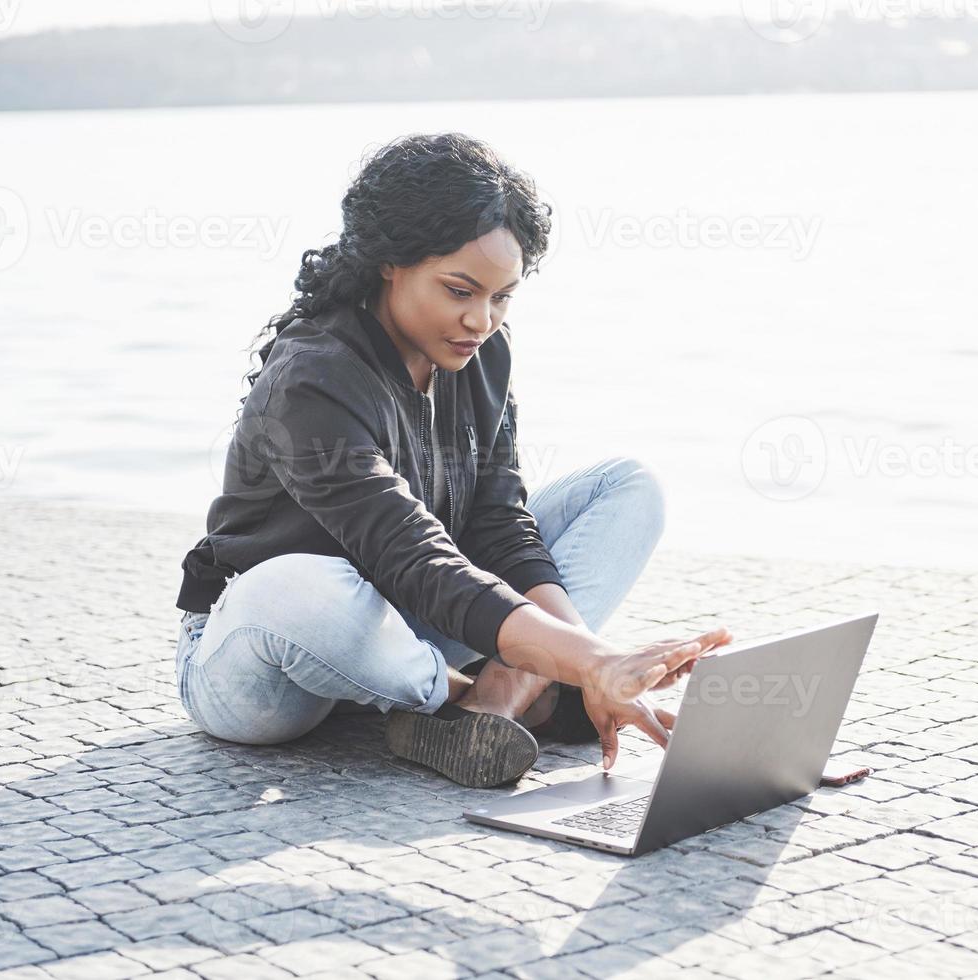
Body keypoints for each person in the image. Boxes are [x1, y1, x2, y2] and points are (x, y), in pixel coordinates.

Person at [174, 132, 732, 788]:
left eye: (502, 297)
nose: (481, 320)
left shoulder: (480, 356)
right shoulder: (313, 379)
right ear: (390, 262)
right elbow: (410, 555)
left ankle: (490, 704)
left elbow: (498, 526)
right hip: (270, 670)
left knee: (628, 488)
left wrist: (591, 658)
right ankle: (486, 694)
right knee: (295, 583)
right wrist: (592, 664)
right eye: (460, 291)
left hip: (412, 625)